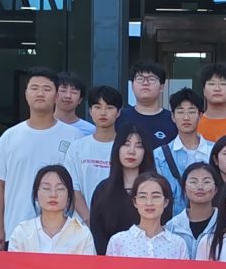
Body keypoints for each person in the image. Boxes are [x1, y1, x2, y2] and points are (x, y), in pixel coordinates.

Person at [0, 69, 84, 249]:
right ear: (26, 94)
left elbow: (78, 186)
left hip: (63, 233)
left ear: (56, 96)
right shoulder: (10, 137)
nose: (40, 93)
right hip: (16, 230)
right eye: (34, 88)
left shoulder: (74, 137)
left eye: (47, 89)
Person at [87, 125, 156, 254]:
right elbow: (98, 234)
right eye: (126, 144)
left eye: (138, 146)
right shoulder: (103, 191)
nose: (131, 151)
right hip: (111, 262)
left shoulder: (157, 189)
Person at [67, 84, 125, 218]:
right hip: (82, 224)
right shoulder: (77, 147)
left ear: (118, 112)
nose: (103, 113)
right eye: (97, 107)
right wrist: (89, 219)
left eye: (109, 108)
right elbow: (73, 188)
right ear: (90, 111)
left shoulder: (126, 148)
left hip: (119, 222)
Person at [155, 87, 212, 185]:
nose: (186, 117)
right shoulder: (159, 155)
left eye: (191, 112)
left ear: (200, 116)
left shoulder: (213, 151)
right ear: (173, 116)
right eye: (181, 112)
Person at [118, 62, 177, 150]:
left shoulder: (173, 120)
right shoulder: (119, 118)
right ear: (132, 86)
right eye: (140, 79)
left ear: (161, 87)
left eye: (152, 79)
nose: (145, 83)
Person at [174, 161, 220, 253]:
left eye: (206, 182)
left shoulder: (225, 224)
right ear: (184, 189)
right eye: (193, 182)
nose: (200, 187)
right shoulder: (172, 226)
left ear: (215, 189)